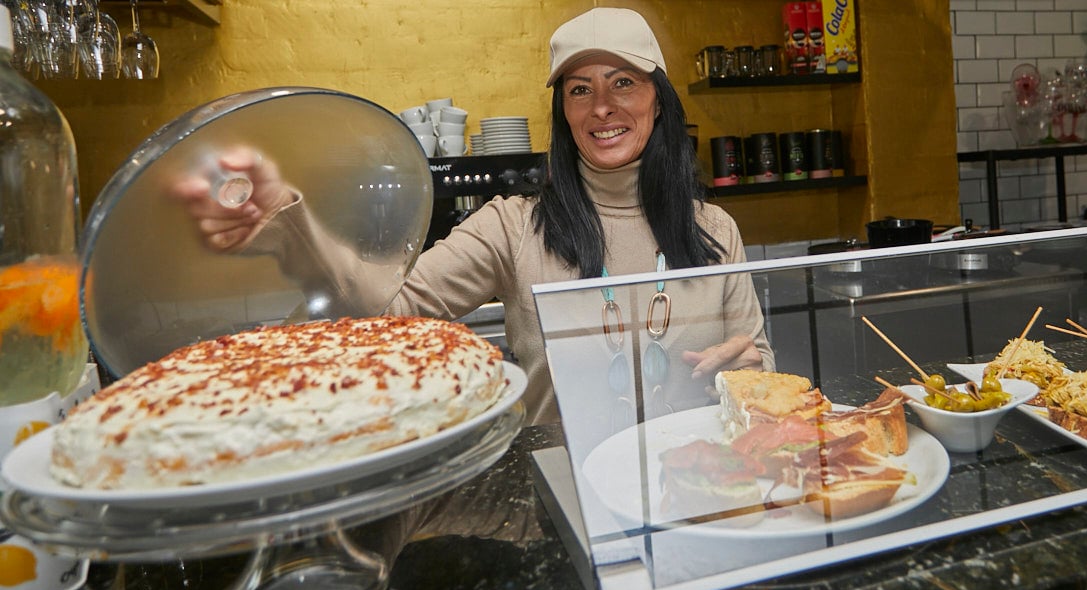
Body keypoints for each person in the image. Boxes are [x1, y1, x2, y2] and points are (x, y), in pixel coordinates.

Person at [175, 7, 774, 426]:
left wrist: (748, 370)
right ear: (563, 112)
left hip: (696, 485)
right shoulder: (513, 226)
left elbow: (762, 367)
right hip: (564, 501)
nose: (602, 107)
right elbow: (389, 311)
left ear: (658, 102)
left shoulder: (715, 230)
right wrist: (294, 225)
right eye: (579, 89)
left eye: (623, 83)